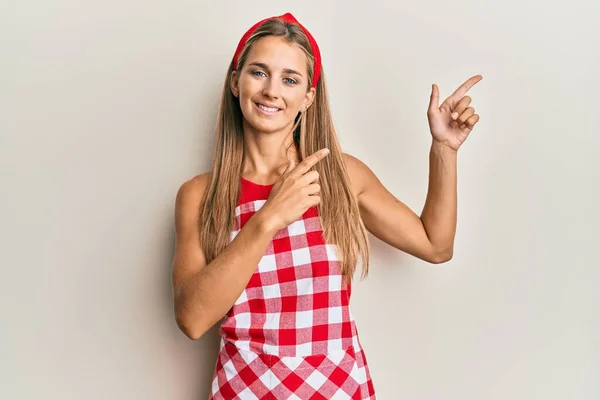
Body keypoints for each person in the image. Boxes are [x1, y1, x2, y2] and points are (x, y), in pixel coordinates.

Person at [171, 12, 482, 399]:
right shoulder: (201, 195)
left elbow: (435, 245)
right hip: (244, 389)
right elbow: (192, 318)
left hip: (335, 388)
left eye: (290, 79)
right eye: (258, 72)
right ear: (235, 82)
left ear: (308, 96)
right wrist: (268, 217)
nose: (272, 90)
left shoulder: (341, 177)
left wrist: (443, 149)